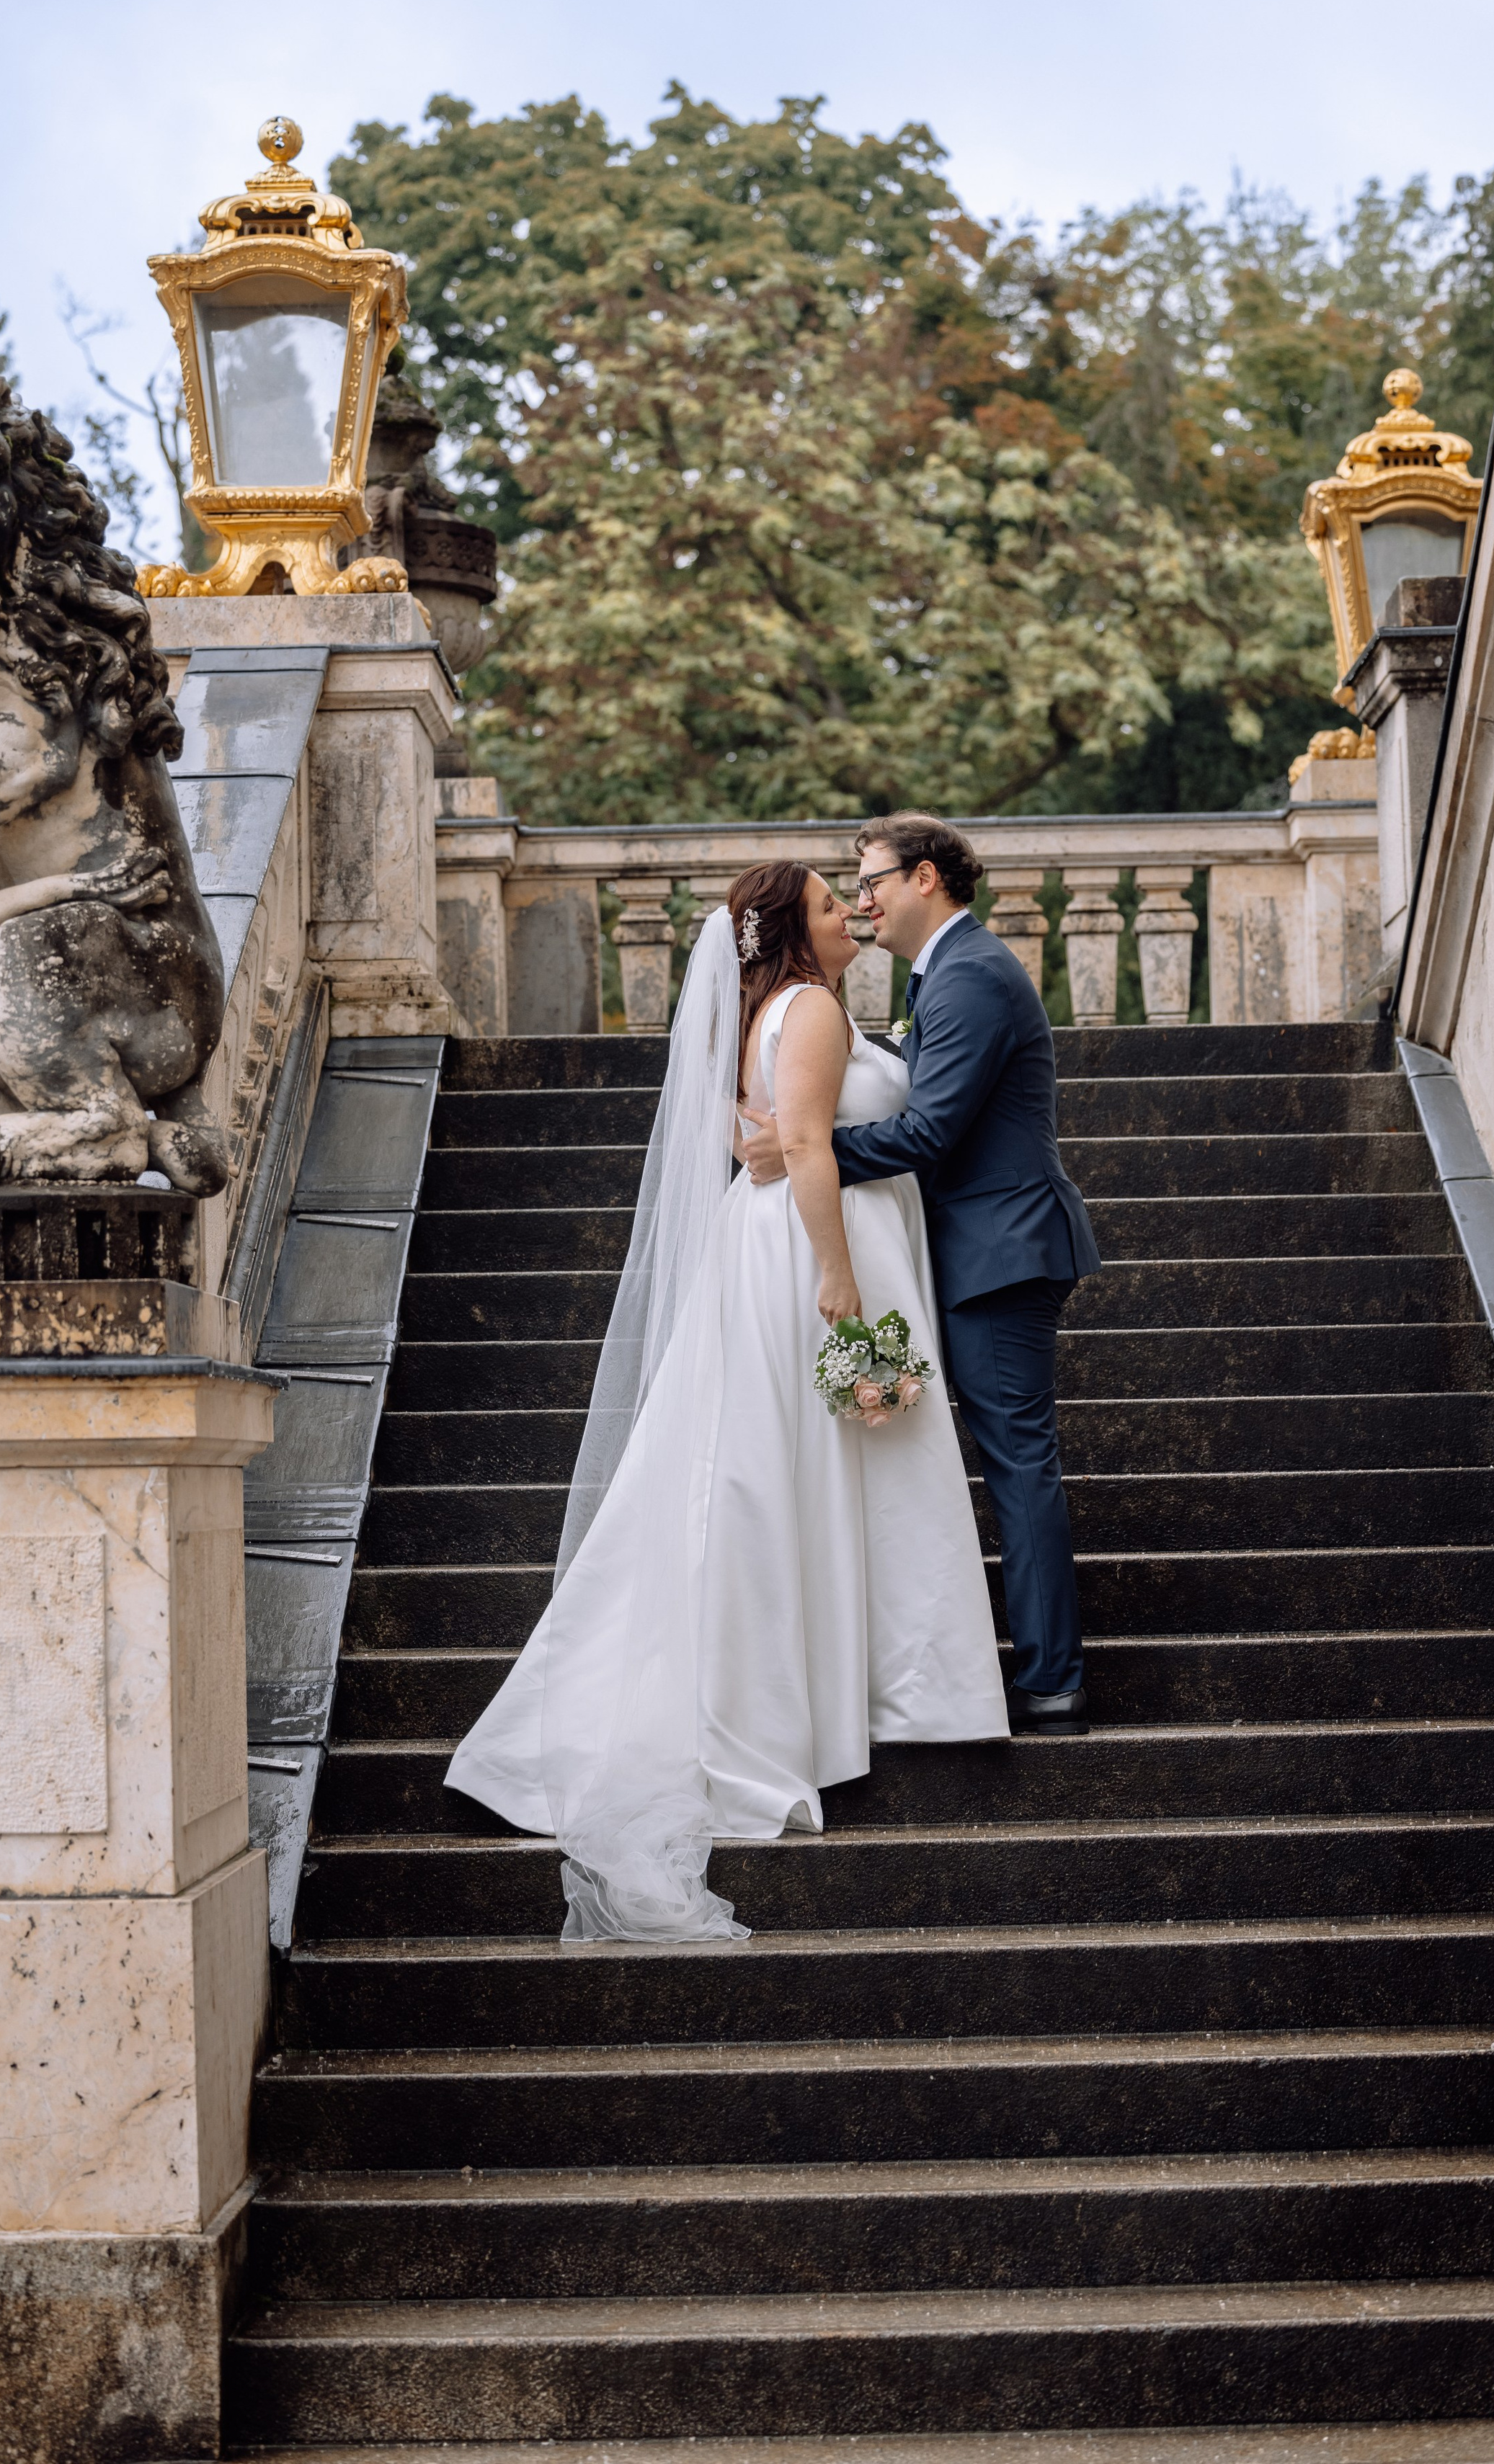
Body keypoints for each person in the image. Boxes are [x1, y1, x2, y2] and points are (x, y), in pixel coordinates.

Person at [445, 858, 1008, 1942]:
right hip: (815, 1261)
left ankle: (856, 1694)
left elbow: (769, 1137)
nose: (852, 913)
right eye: (832, 905)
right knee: (792, 1471)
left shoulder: (787, 1010)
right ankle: (813, 1703)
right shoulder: (808, 1010)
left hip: (802, 1246)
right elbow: (800, 1145)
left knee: (815, 1471)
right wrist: (836, 1275)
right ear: (792, 933)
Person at [743, 813, 1100, 1732]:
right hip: (976, 1247)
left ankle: (1051, 1677)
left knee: (1019, 1462)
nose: (862, 901)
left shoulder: (970, 974)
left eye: (871, 881)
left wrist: (807, 1149)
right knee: (1009, 1458)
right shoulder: (937, 974)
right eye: (849, 892)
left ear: (927, 877)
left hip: (999, 1252)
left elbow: (932, 1131)